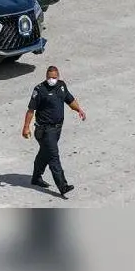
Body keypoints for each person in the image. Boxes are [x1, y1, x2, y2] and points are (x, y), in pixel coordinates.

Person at [22, 65, 85, 198]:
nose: (52, 80)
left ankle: (36, 178)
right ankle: (63, 186)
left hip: (57, 129)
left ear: (58, 76)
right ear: (46, 77)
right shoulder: (39, 90)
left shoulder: (61, 86)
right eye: (50, 77)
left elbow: (70, 100)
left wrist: (79, 109)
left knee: (44, 154)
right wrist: (26, 127)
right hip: (44, 130)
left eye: (54, 77)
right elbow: (30, 110)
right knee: (53, 156)